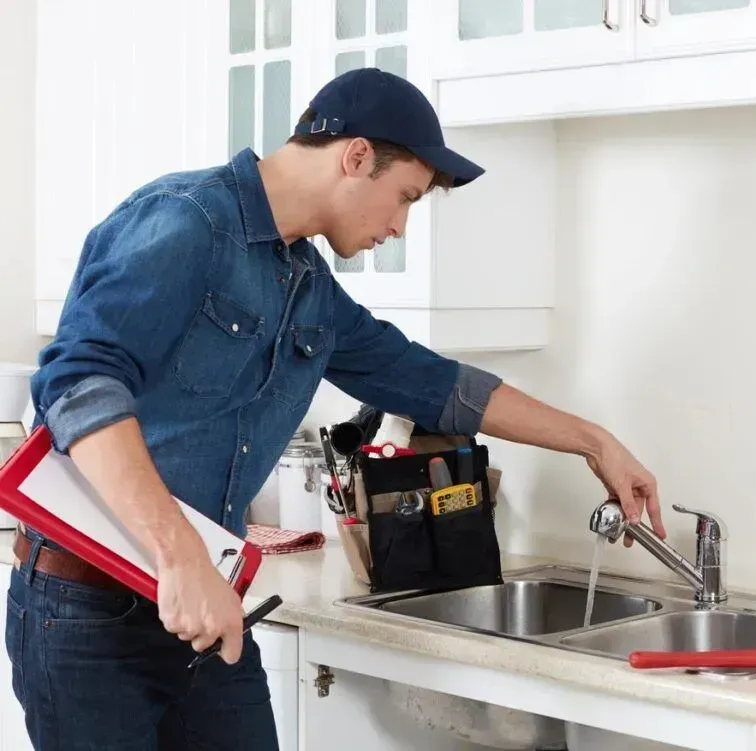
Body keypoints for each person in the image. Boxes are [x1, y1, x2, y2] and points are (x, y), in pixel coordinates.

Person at [6, 67, 664, 750]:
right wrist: (179, 556)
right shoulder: (185, 222)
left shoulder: (309, 289)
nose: (400, 225)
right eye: (404, 196)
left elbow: (436, 384)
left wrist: (593, 440)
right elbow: (79, 384)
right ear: (355, 157)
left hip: (208, 607)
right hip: (88, 614)